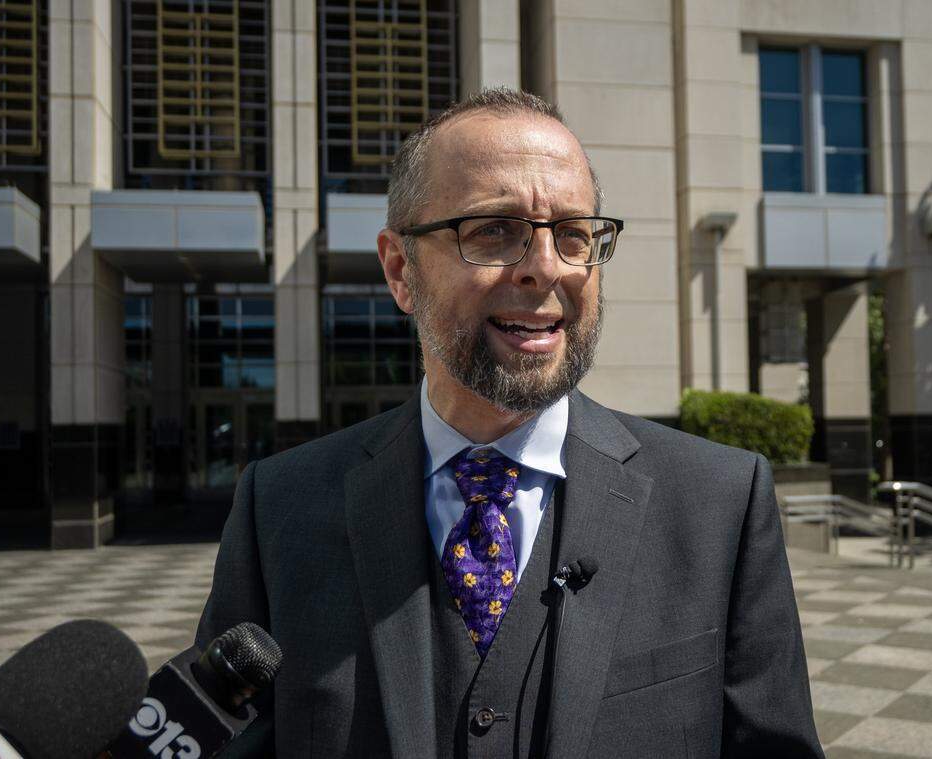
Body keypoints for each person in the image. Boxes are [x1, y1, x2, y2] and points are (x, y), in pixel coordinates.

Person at [197, 88, 823, 758]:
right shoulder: (280, 509)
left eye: (575, 234)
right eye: (495, 230)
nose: (545, 267)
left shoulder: (719, 504)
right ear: (399, 269)